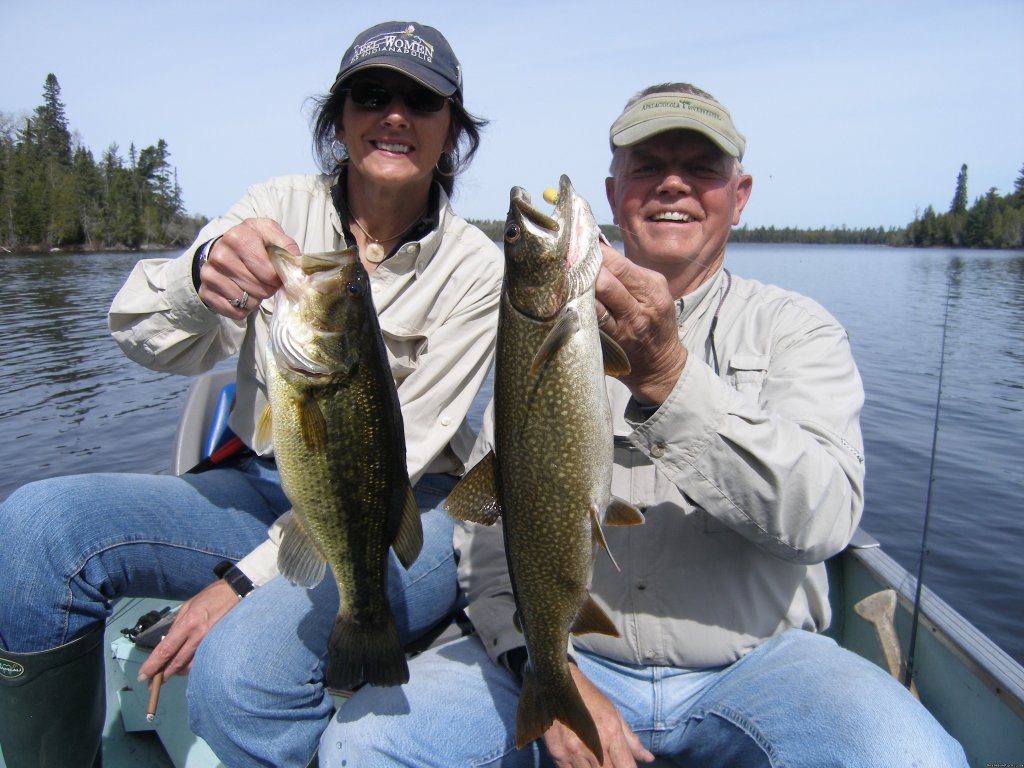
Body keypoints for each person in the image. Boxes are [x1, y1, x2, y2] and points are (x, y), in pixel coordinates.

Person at [314, 83, 969, 767]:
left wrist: (666, 376)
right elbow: (485, 541)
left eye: (701, 168)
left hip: (761, 665)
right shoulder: (538, 335)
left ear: (739, 195)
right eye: (649, 166)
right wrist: (542, 667)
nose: (673, 185)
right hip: (571, 655)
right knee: (363, 745)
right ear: (614, 189)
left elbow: (824, 520)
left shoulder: (797, 330)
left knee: (911, 755)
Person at [0, 20, 502, 768]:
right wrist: (200, 277)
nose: (394, 114)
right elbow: (142, 337)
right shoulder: (274, 207)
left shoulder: (476, 269)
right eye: (371, 94)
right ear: (338, 122)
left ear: (451, 134)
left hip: (398, 510)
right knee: (37, 528)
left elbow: (407, 452)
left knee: (236, 675)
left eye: (423, 101)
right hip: (260, 485)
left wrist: (240, 583)